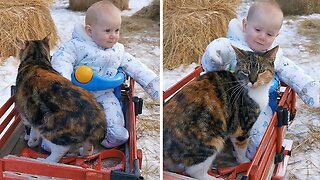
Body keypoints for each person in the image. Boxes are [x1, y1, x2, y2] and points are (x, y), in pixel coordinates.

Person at [201, 0, 319, 159]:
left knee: (259, 134)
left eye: (269, 34)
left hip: (258, 106)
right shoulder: (232, 47)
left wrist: (308, 87)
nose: (262, 37)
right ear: (245, 25)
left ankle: (251, 161)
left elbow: (293, 73)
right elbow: (212, 61)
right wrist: (213, 55)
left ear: (276, 36)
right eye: (257, 29)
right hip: (228, 102)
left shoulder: (273, 56)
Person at [51, 1, 159, 148]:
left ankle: (109, 136)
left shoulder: (118, 51)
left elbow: (136, 67)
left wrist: (154, 85)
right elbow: (62, 59)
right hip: (78, 94)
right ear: (90, 30)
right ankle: (59, 139)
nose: (113, 36)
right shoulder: (76, 46)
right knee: (66, 116)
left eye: (117, 30)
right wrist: (63, 84)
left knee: (117, 121)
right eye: (107, 31)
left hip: (106, 94)